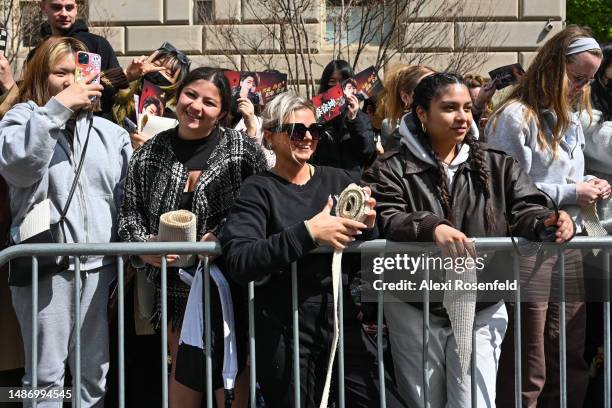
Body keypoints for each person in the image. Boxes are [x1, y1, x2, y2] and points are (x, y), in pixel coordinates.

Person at [362, 72, 576, 408]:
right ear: (421, 113)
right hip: (414, 304)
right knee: (423, 403)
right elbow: (387, 216)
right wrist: (431, 226)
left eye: (466, 107)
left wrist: (550, 221)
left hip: (482, 303)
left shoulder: (496, 163)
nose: (462, 116)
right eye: (449, 108)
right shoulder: (389, 167)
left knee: (474, 402)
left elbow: (526, 208)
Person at [220, 91, 404, 407]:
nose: (307, 138)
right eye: (296, 130)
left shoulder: (340, 179)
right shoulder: (257, 189)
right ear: (270, 136)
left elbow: (365, 242)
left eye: (314, 130)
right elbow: (240, 259)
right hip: (283, 329)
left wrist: (369, 224)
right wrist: (310, 233)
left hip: (342, 321)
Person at [118, 67, 268, 407]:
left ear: (223, 113)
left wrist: (224, 237)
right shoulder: (150, 153)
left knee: (232, 377)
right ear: (177, 96)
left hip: (231, 286)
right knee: (183, 373)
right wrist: (144, 248)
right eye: (191, 95)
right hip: (174, 291)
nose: (196, 106)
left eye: (209, 102)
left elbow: (262, 207)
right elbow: (128, 215)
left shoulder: (242, 151)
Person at [0, 36, 132, 407]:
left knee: (93, 375)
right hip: (46, 268)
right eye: (61, 73)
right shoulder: (21, 118)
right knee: (44, 378)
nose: (72, 80)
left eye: (79, 71)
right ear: (42, 76)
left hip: (99, 269)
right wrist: (56, 110)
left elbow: (123, 200)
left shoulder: (112, 133)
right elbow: (21, 168)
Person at [486, 26, 608, 408]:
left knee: (568, 351)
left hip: (567, 244)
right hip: (528, 247)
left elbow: (560, 176)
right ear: (554, 66)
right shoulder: (514, 117)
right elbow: (507, 186)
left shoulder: (570, 118)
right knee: (530, 355)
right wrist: (574, 191)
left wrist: (589, 184)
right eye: (577, 78)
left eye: (589, 81)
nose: (582, 88)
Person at [113, 42, 191, 148]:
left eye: (168, 74)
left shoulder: (171, 122)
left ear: (175, 85)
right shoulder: (120, 94)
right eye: (157, 65)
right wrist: (127, 75)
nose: (159, 72)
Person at [310, 60, 375, 179]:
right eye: (332, 81)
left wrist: (353, 119)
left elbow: (367, 150)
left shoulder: (360, 117)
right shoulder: (316, 114)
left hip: (351, 183)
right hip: (324, 180)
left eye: (343, 82)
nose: (338, 87)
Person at [375, 64, 434, 151]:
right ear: (406, 98)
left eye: (439, 85)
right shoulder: (395, 130)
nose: (437, 94)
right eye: (426, 90)